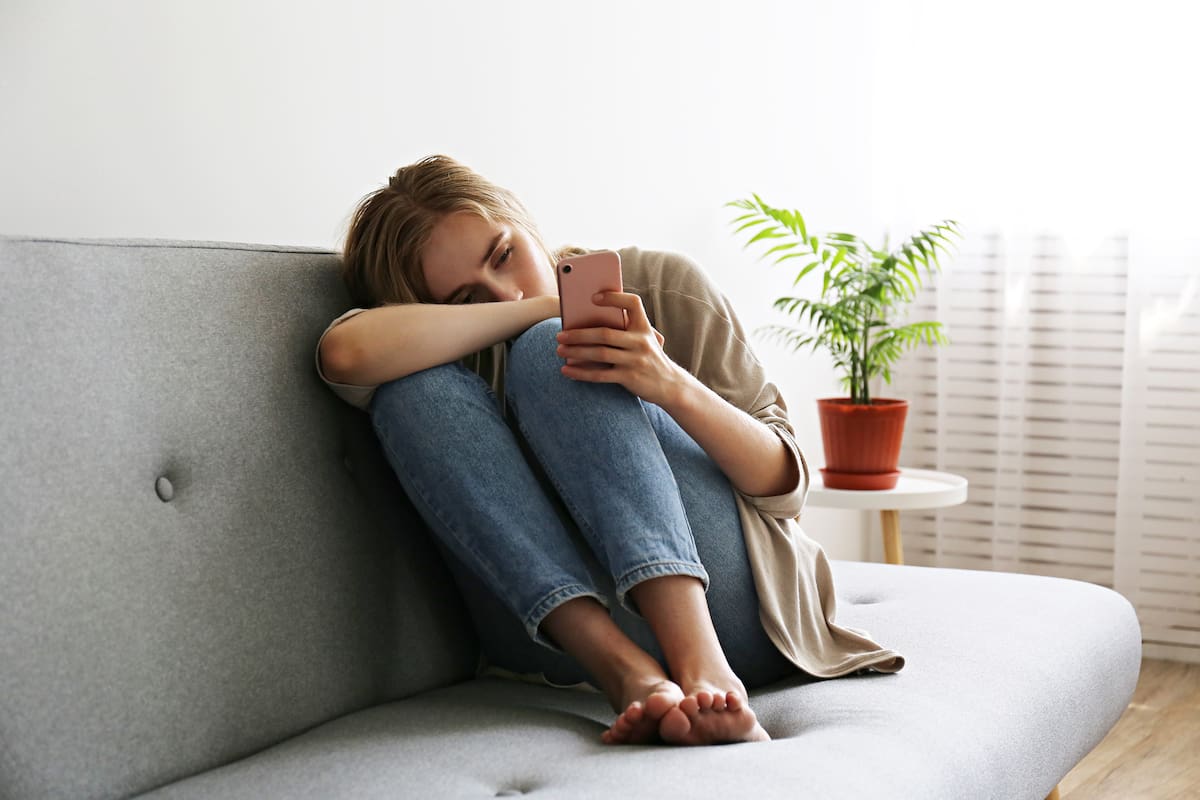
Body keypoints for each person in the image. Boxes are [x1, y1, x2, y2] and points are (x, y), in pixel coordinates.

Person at [315, 155, 903, 747]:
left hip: (737, 618)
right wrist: (543, 309)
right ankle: (631, 676)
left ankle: (702, 666)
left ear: (520, 220)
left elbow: (788, 488)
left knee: (553, 351)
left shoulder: (662, 282)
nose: (504, 290)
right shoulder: (437, 347)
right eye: (466, 299)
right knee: (415, 391)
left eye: (504, 255)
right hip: (559, 644)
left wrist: (667, 383)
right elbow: (343, 354)